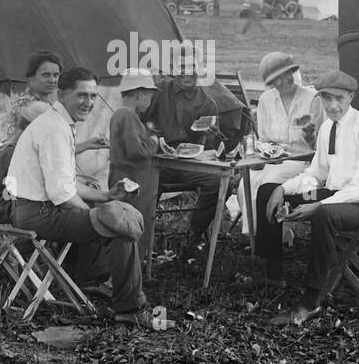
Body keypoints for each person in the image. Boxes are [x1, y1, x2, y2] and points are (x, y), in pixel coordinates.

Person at [7, 66, 148, 326]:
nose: (89, 103)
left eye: (93, 96)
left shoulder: (59, 123)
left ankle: (88, 279)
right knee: (119, 225)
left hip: (37, 208)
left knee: (107, 209)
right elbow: (62, 196)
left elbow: (68, 183)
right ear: (62, 94)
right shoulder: (53, 129)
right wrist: (100, 215)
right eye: (82, 96)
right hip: (38, 214)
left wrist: (105, 196)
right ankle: (130, 310)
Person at [263, 71, 359, 325]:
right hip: (334, 193)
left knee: (323, 214)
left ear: (351, 97)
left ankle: (311, 301)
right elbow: (316, 174)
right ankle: (272, 274)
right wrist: (285, 189)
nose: (332, 105)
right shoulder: (327, 127)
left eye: (339, 98)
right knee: (268, 190)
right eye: (326, 98)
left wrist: (318, 204)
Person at [237, 52, 324, 285]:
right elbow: (264, 137)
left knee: (269, 183)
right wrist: (266, 152)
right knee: (246, 183)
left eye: (288, 75)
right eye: (278, 78)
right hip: (274, 157)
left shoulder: (312, 98)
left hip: (303, 160)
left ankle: (267, 254)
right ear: (270, 82)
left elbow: (321, 145)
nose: (285, 81)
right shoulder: (266, 99)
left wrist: (309, 134)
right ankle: (265, 240)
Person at [144, 52, 225, 257]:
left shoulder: (208, 103)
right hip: (159, 160)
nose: (186, 72)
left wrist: (210, 137)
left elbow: (209, 147)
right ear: (173, 70)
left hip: (190, 163)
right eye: (181, 67)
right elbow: (144, 120)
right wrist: (156, 137)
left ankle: (194, 235)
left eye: (191, 67)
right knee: (141, 179)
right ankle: (141, 238)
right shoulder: (161, 90)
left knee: (218, 182)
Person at [109, 69, 161, 269]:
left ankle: (127, 270)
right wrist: (154, 141)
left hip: (126, 177)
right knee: (134, 224)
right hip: (132, 181)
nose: (149, 100)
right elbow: (137, 150)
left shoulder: (122, 115)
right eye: (149, 95)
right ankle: (130, 272)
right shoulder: (127, 116)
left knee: (126, 224)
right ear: (140, 93)